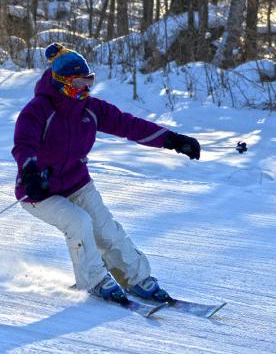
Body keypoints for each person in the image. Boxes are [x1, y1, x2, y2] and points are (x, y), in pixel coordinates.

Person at [12, 43, 200, 305]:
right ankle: (95, 281)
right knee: (79, 223)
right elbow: (24, 145)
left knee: (107, 230)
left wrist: (173, 140)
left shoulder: (90, 108)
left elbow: (130, 125)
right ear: (61, 81)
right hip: (39, 191)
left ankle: (136, 278)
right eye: (78, 82)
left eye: (88, 81)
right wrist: (30, 172)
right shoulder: (38, 110)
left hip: (77, 183)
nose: (85, 88)